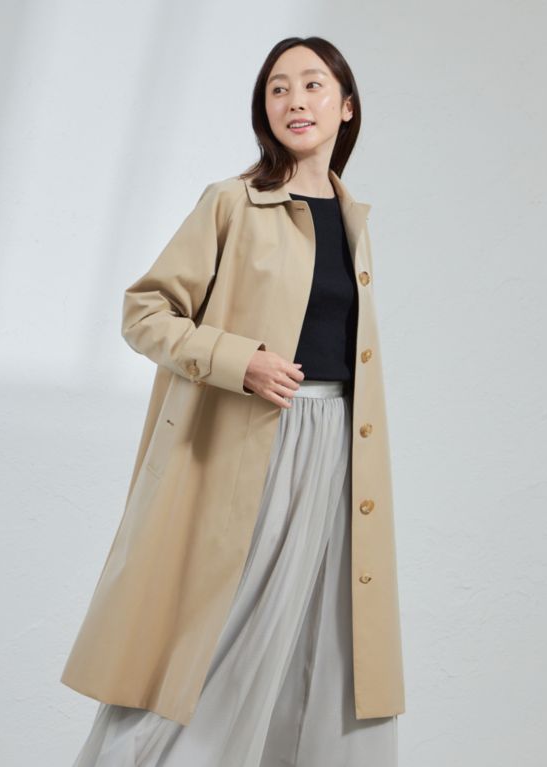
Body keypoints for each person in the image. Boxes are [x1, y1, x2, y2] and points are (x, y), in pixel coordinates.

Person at [64, 35, 405, 766]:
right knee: (212, 643)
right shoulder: (232, 203)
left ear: (346, 107)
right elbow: (144, 311)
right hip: (252, 445)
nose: (294, 101)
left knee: (318, 648)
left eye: (312, 85)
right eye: (278, 88)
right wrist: (238, 360)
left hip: (337, 451)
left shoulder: (353, 219)